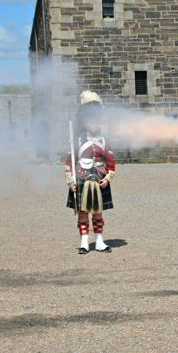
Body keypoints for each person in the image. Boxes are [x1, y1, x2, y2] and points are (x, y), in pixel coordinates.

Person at [65, 91, 116, 254]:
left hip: (99, 179)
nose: (93, 124)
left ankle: (100, 241)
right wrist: (71, 181)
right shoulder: (77, 140)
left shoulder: (104, 140)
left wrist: (107, 178)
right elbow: (69, 163)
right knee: (83, 213)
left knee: (98, 213)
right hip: (81, 178)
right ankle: (84, 242)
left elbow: (111, 163)